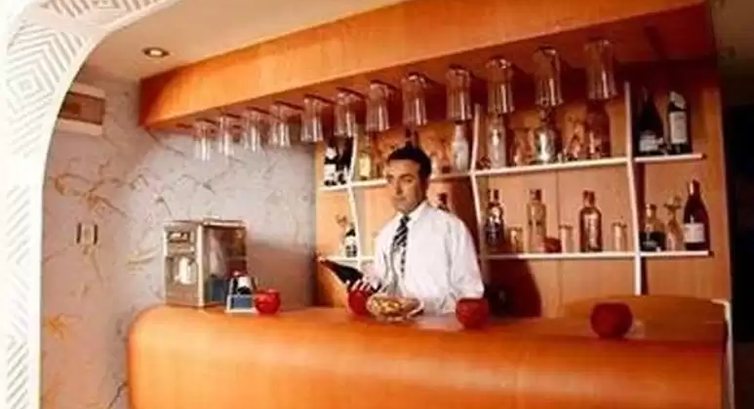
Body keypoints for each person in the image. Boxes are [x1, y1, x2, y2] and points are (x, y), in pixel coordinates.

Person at [358, 145, 484, 314]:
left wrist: (423, 308)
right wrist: (368, 290)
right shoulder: (385, 234)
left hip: (440, 328)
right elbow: (384, 286)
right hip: (393, 329)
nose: (396, 190)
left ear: (425, 183)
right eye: (390, 180)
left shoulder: (451, 229)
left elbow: (471, 293)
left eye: (406, 180)